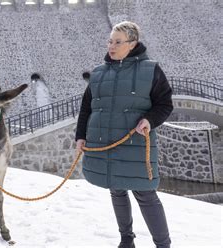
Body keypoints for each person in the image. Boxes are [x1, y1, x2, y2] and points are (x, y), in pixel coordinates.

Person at [75, 21, 173, 248]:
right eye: (110, 40)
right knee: (116, 189)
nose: (112, 45)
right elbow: (87, 108)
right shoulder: (98, 73)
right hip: (106, 142)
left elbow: (164, 104)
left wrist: (149, 119)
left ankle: (163, 245)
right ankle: (126, 240)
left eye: (118, 42)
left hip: (135, 144)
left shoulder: (151, 70)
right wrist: (81, 136)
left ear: (132, 44)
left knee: (145, 194)